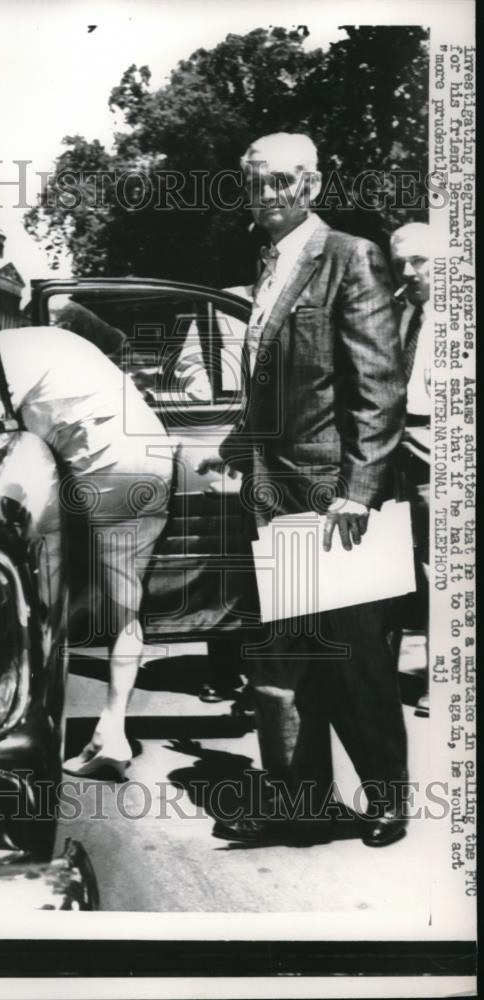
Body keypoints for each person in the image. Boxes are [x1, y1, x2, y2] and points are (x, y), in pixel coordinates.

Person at [202, 133, 409, 848]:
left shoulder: (349, 257)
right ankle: (302, 802)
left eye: (281, 183)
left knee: (351, 656)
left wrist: (359, 487)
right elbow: (270, 385)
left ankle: (386, 797)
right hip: (275, 490)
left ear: (313, 184)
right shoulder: (267, 263)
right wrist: (236, 451)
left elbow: (376, 385)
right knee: (289, 657)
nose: (265, 196)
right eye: (255, 183)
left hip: (330, 495)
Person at [0, 326, 174, 778]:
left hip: (102, 467)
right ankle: (111, 731)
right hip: (154, 459)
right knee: (125, 609)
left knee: (44, 598)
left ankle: (26, 730)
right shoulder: (62, 341)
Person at [390, 223, 432, 718]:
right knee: (402, 567)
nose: (408, 271)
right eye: (401, 261)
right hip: (397, 446)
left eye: (419, 260)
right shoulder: (403, 311)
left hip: (438, 446)